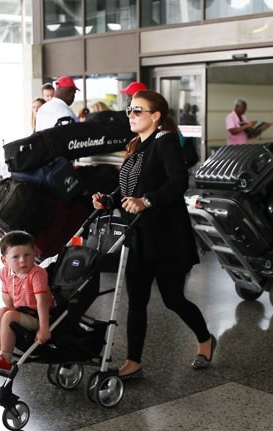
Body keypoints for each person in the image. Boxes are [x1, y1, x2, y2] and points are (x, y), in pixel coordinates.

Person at [92, 90, 215, 379]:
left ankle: (205, 338)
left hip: (166, 237)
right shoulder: (137, 144)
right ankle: (133, 362)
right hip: (139, 236)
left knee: (173, 299)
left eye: (138, 110)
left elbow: (179, 182)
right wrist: (109, 200)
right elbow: (128, 188)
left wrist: (146, 201)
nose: (131, 115)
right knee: (137, 300)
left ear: (156, 116)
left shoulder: (165, 142)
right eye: (130, 110)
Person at [0, 231, 55, 375]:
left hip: (38, 316)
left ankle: (5, 358)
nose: (22, 260)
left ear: (34, 254)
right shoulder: (5, 272)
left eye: (27, 255)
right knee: (0, 313)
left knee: (8, 316)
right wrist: (9, 309)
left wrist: (44, 328)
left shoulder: (37, 274)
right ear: (4, 260)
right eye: (16, 257)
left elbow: (42, 302)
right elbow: (7, 297)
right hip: (22, 312)